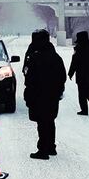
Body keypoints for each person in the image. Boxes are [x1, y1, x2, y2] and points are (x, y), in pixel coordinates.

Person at [23, 29, 67, 160]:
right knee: (50, 121)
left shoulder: (34, 56)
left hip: (38, 95)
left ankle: (42, 150)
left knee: (42, 122)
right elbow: (62, 76)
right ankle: (51, 147)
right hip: (53, 95)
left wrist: (28, 94)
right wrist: (58, 91)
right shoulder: (55, 56)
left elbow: (29, 77)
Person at [68, 31, 89, 115]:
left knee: (82, 92)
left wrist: (71, 72)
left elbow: (74, 62)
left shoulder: (78, 49)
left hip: (81, 74)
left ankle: (85, 110)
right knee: (87, 90)